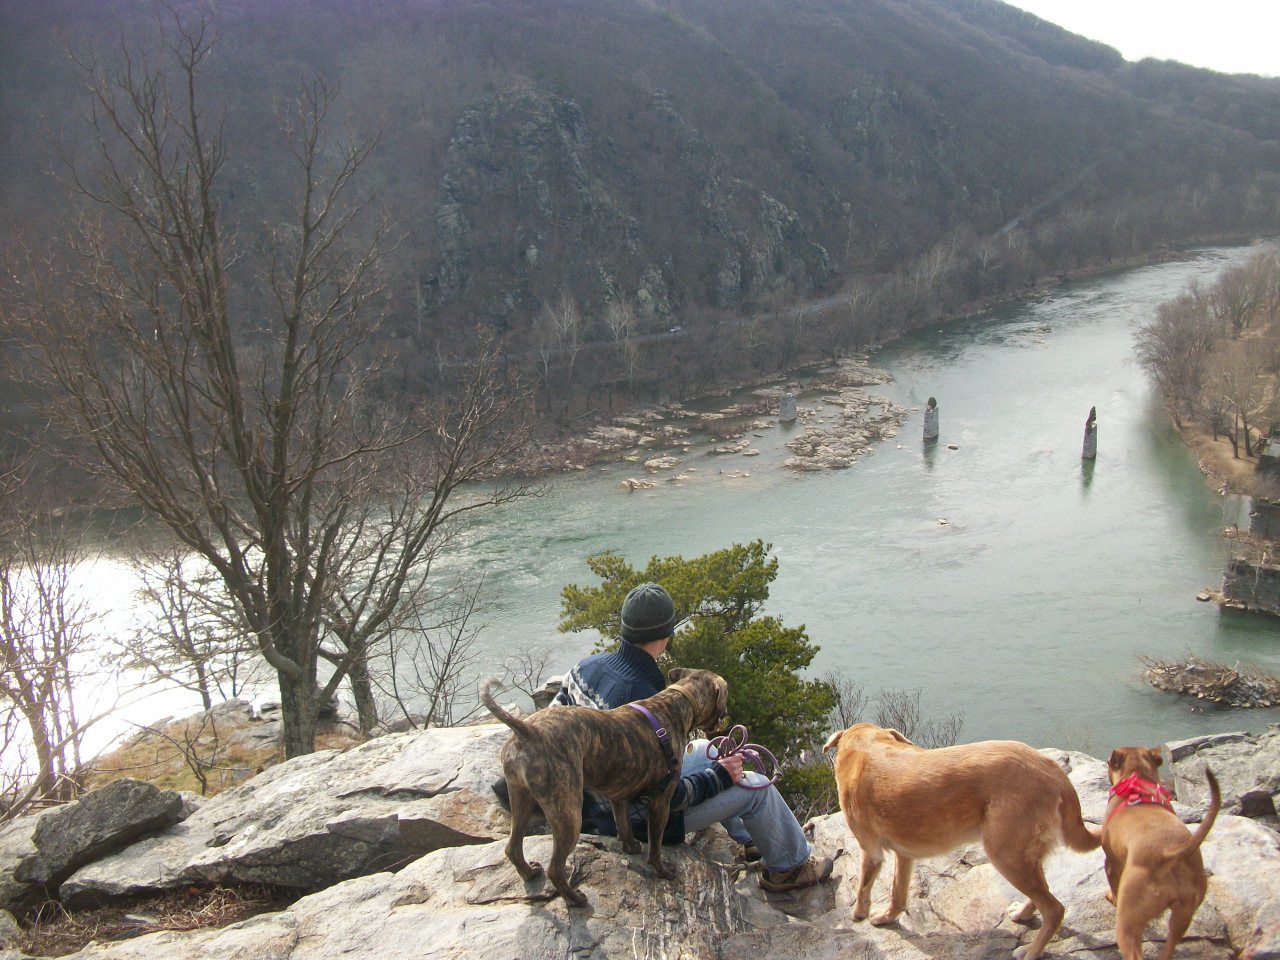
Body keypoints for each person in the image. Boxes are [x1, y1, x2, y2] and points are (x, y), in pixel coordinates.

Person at [548, 581, 833, 893]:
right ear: (666, 635)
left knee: (705, 749)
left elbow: (551, 725)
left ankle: (756, 838)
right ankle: (790, 868)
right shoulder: (642, 698)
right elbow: (655, 798)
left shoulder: (585, 667)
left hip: (594, 799)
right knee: (753, 787)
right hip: (632, 824)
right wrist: (719, 779)